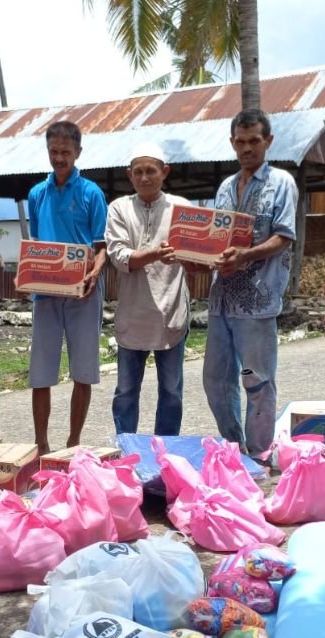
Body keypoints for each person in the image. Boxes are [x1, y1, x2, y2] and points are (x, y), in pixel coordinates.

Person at [203, 109, 297, 459]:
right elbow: (215, 238)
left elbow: (284, 236)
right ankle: (233, 448)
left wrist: (244, 256)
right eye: (240, 142)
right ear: (232, 143)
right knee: (215, 380)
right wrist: (202, 256)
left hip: (258, 299)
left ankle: (259, 453)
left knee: (256, 380)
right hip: (222, 298)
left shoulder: (282, 182)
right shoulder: (226, 187)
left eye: (254, 141)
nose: (246, 148)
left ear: (267, 141)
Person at [26, 120, 108, 453]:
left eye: (66, 152)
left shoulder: (92, 193)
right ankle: (41, 443)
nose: (59, 158)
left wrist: (94, 273)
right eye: (54, 151)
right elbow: (35, 244)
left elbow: (102, 247)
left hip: (83, 293)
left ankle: (74, 441)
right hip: (45, 293)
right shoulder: (36, 194)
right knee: (41, 372)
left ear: (78, 152)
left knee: (83, 370)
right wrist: (31, 272)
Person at [104, 142, 190, 436]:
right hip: (133, 316)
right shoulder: (119, 208)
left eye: (150, 171)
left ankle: (165, 452)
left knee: (171, 392)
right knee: (126, 393)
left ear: (164, 172)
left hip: (171, 314)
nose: (144, 177)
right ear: (129, 175)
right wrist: (155, 253)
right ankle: (126, 447)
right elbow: (119, 257)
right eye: (137, 172)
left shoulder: (183, 209)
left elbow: (199, 255)